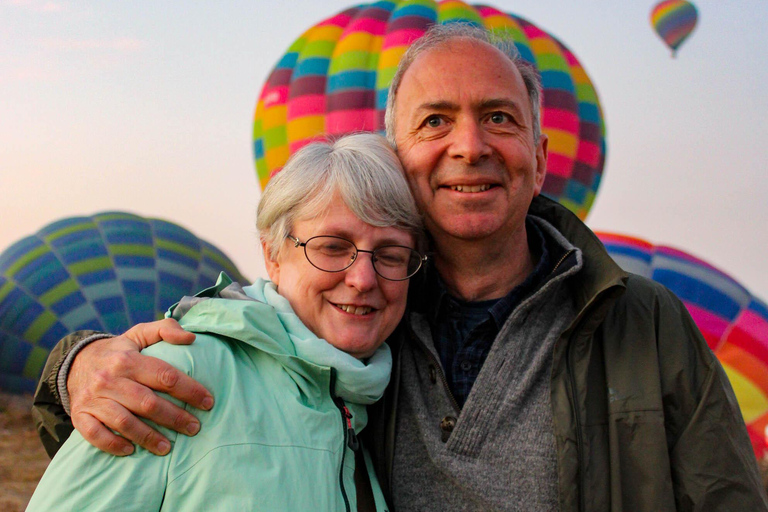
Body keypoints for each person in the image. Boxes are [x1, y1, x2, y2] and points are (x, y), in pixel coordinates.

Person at [33, 24, 768, 511]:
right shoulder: (360, 319)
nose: (470, 145)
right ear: (398, 157)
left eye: (501, 118)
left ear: (543, 160)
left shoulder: (642, 321)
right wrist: (77, 363)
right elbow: (235, 349)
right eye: (435, 121)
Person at [27, 133, 425, 511]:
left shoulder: (377, 400)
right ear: (272, 255)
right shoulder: (173, 377)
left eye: (390, 254)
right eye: (333, 248)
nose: (363, 279)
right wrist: (76, 360)